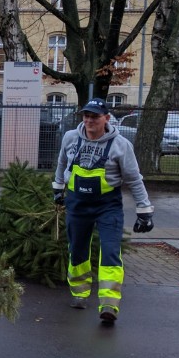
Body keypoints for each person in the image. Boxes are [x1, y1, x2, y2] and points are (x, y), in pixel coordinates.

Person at [52, 97, 154, 324]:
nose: (89, 120)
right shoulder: (70, 138)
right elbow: (61, 165)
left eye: (94, 116)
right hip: (77, 205)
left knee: (110, 251)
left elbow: (134, 179)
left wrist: (144, 210)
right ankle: (79, 295)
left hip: (108, 207)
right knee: (77, 250)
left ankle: (109, 304)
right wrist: (58, 189)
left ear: (106, 118)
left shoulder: (120, 145)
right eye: (86, 116)